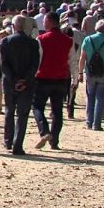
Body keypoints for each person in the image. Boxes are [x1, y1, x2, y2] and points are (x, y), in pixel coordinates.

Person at [32, 12, 75, 150]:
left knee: (37, 106)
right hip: (61, 78)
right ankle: (54, 141)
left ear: (49, 21)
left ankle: (44, 131)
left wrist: (33, 75)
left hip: (43, 78)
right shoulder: (68, 40)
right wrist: (75, 78)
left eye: (45, 20)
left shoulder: (41, 39)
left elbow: (38, 60)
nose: (43, 23)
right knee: (57, 111)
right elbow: (72, 61)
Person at [1, 15, 40, 155]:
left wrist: (14, 79)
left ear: (13, 26)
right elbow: (35, 64)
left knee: (9, 111)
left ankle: (8, 140)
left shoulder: (5, 41)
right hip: (27, 84)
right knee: (22, 114)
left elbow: (4, 64)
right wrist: (25, 80)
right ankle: (17, 145)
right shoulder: (33, 43)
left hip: (10, 82)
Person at [78, 20, 104, 130]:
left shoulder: (88, 39)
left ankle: (89, 122)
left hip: (90, 72)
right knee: (100, 98)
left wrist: (80, 72)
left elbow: (82, 57)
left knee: (90, 96)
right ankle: (97, 124)